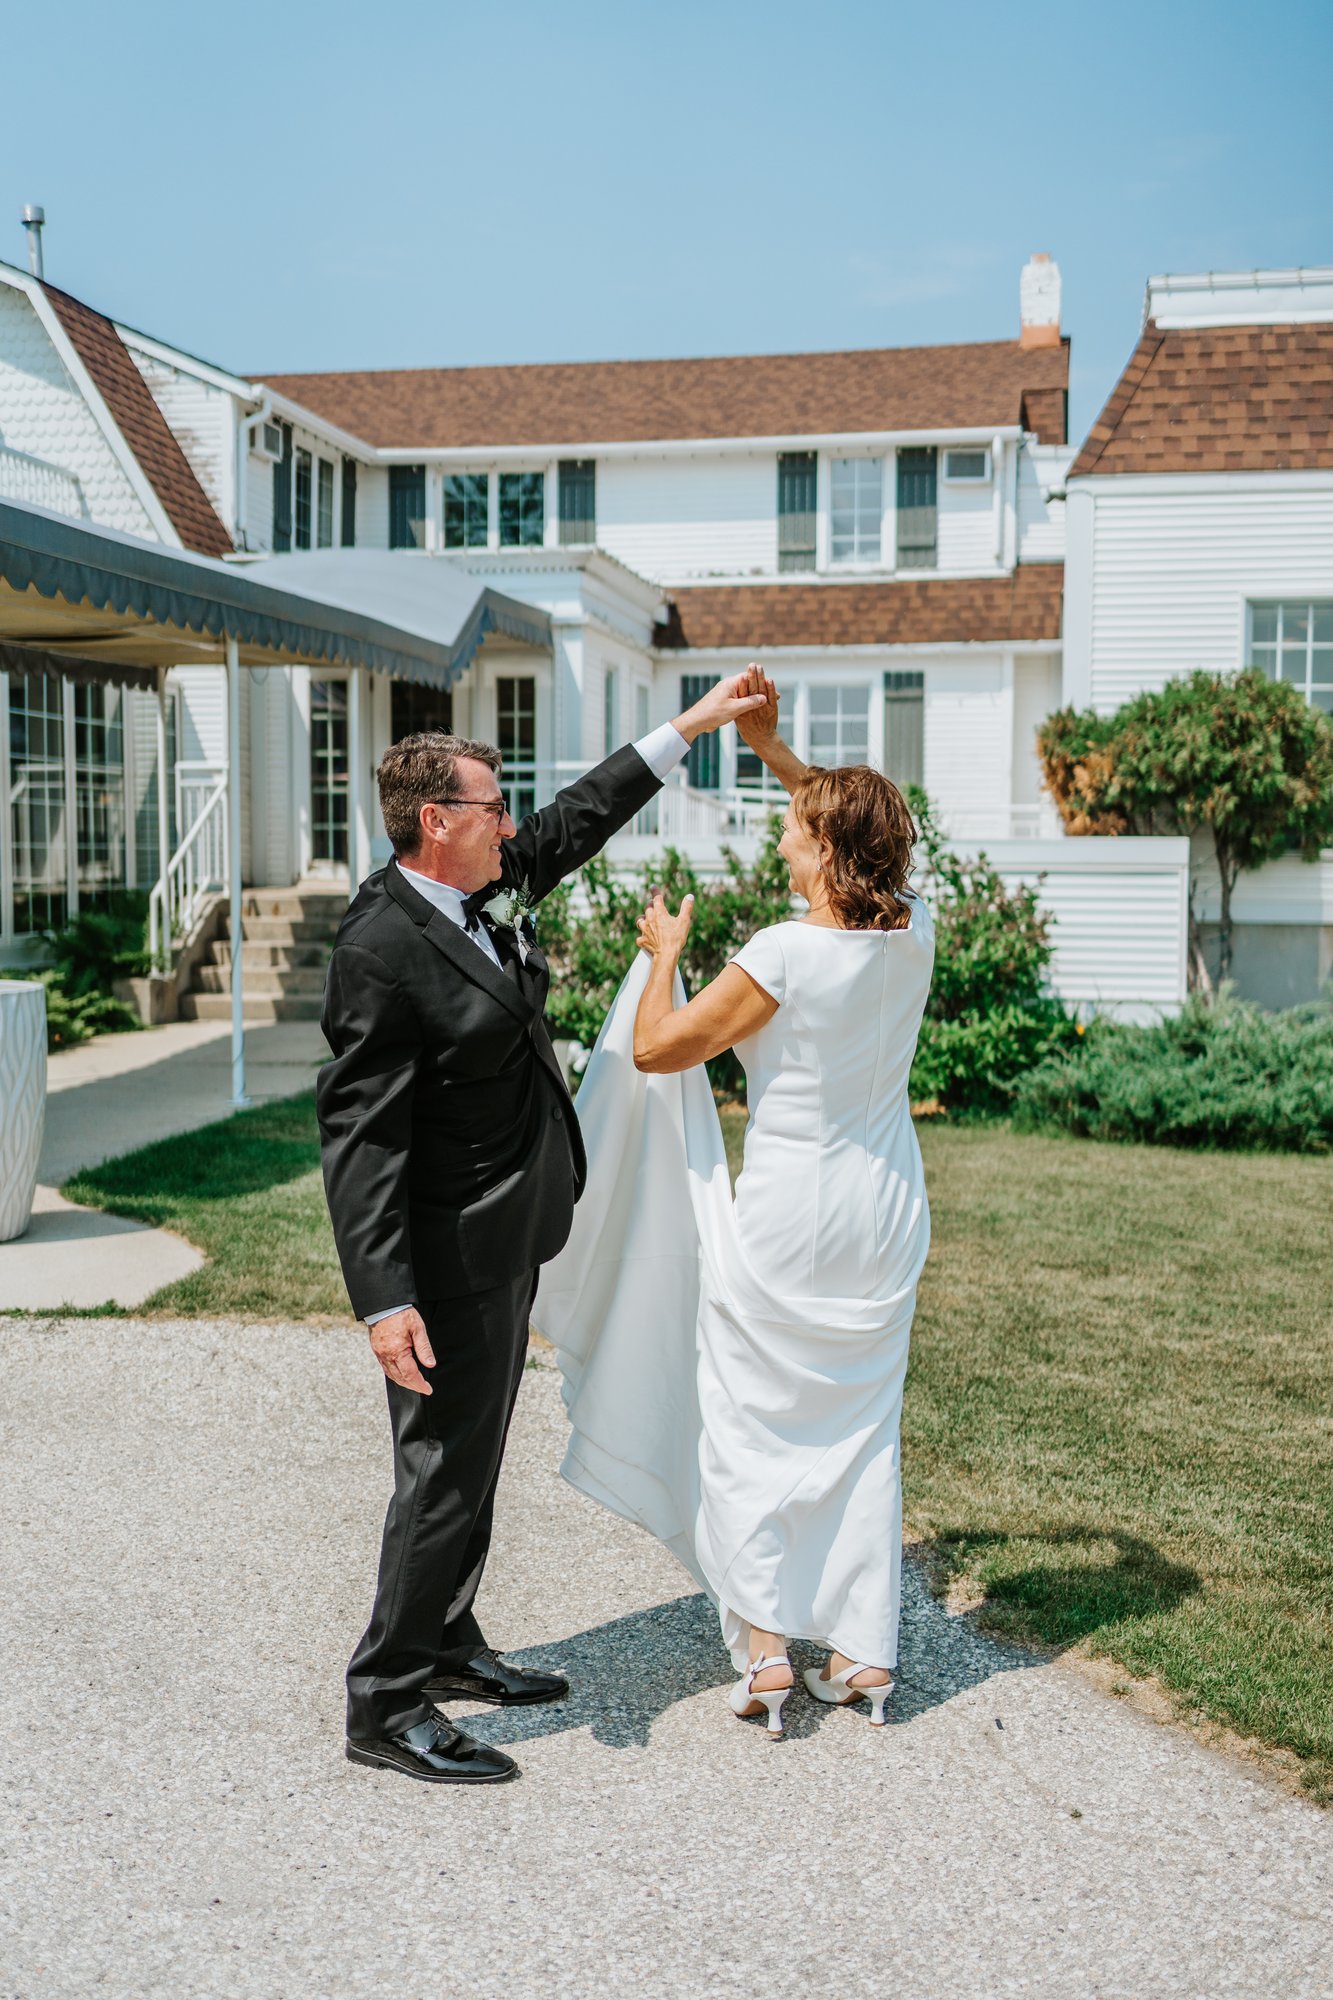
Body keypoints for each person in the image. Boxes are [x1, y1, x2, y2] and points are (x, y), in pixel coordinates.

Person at [318, 674, 766, 1785]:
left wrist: (694, 727)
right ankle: (387, 1699)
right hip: (442, 1257)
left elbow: (581, 812)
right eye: (491, 805)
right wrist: (384, 1300)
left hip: (507, 1240)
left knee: (474, 1460)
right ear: (437, 820)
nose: (512, 823)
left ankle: (452, 1641)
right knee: (441, 1475)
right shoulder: (381, 945)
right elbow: (360, 1137)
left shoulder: (484, 887)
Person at [534, 666, 934, 1737]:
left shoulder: (783, 953)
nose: (781, 838)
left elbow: (661, 1048)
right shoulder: (913, 931)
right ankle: (860, 1652)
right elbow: (859, 828)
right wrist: (770, 744)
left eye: (797, 829)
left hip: (793, 1212)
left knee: (747, 1419)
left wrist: (662, 957)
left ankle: (764, 1652)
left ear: (825, 851)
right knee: (859, 1428)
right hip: (887, 1207)